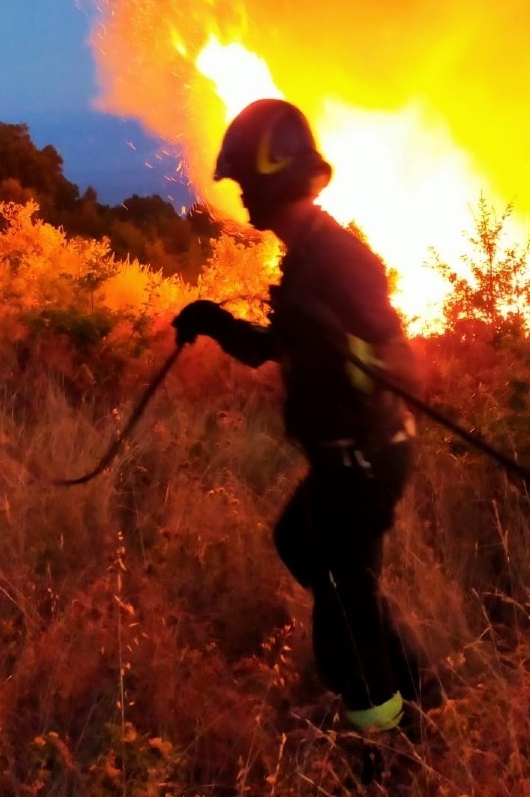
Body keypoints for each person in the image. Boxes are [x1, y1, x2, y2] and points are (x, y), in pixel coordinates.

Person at [172, 99, 436, 735]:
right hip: (340, 456)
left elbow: (402, 363)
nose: (240, 198)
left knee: (342, 620)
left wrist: (346, 351)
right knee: (300, 546)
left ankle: (389, 750)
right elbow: (278, 347)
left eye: (242, 183)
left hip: (365, 455)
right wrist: (216, 324)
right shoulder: (304, 254)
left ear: (275, 176)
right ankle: (417, 684)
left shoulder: (340, 257)